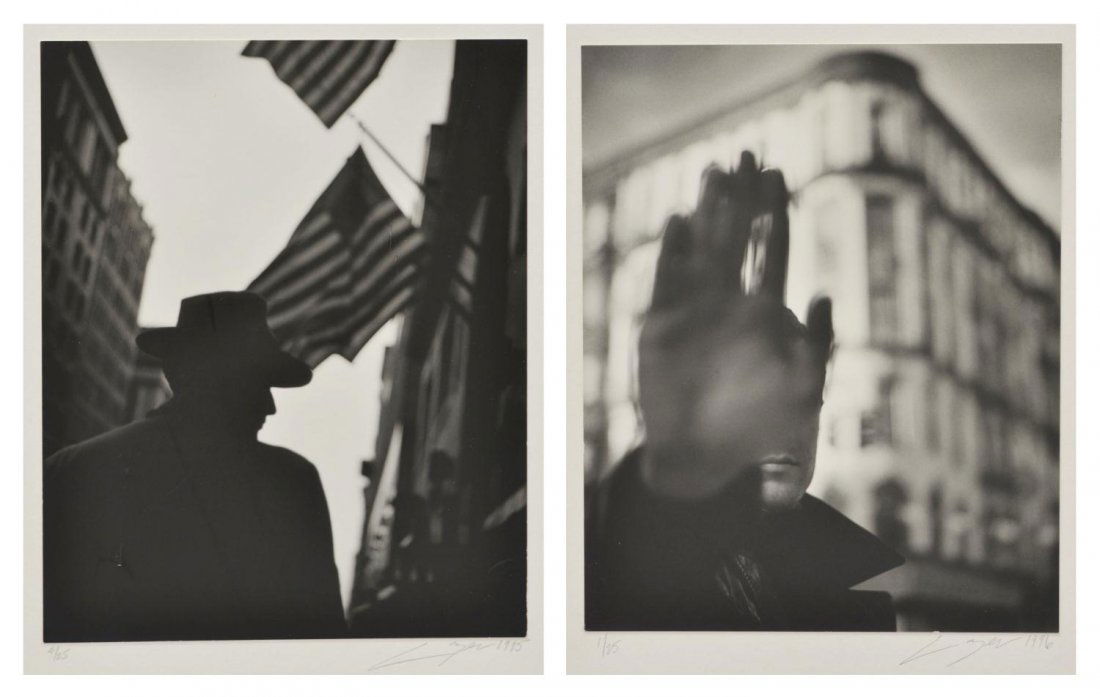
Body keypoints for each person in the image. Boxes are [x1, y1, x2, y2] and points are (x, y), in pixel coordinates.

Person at [586, 153, 905, 631]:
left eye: (801, 404)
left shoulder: (858, 597)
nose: (780, 429)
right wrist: (673, 489)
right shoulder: (609, 571)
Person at [43, 291, 346, 642]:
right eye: (254, 381)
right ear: (196, 376)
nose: (270, 405)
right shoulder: (292, 482)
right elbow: (321, 636)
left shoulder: (72, 469)